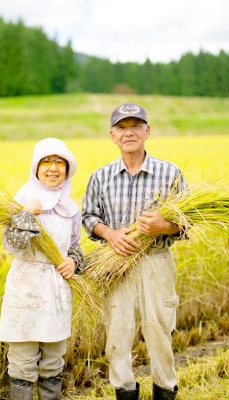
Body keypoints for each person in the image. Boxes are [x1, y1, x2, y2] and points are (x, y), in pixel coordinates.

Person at [82, 103, 188, 400]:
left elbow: (187, 223)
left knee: (159, 332)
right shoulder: (100, 177)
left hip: (156, 262)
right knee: (117, 334)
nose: (129, 133)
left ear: (147, 131)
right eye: (122, 128)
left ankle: (165, 389)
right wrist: (110, 234)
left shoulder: (171, 173)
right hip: (115, 265)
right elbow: (89, 217)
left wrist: (163, 226)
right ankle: (124, 390)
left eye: (135, 126)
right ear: (112, 136)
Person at [0, 138, 85, 400]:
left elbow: (75, 246)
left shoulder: (70, 208)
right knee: (22, 363)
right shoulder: (21, 200)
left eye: (60, 162)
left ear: (68, 169)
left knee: (52, 361)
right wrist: (26, 213)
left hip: (56, 288)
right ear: (35, 167)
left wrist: (73, 262)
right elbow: (13, 246)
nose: (53, 168)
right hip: (24, 287)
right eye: (46, 161)